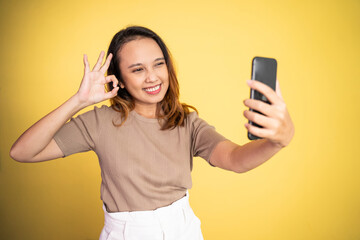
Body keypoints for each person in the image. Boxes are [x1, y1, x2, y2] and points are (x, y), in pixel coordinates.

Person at [10, 26, 294, 240]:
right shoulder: (98, 122)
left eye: (158, 64)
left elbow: (234, 159)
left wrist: (277, 142)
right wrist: (79, 101)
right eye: (137, 69)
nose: (152, 77)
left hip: (183, 229)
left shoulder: (186, 122)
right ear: (119, 78)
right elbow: (22, 152)